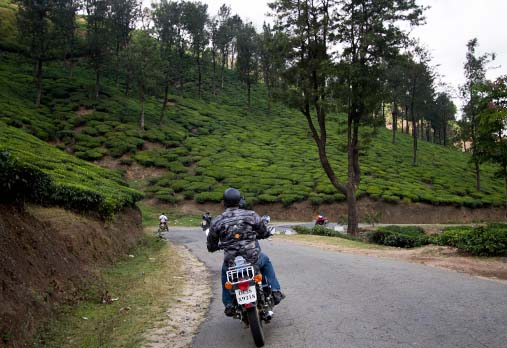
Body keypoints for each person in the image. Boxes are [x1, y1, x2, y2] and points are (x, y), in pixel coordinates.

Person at [207, 188, 285, 317]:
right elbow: (263, 232)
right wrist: (264, 234)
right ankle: (275, 291)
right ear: (239, 201)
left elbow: (211, 245)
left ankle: (229, 304)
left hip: (232, 262)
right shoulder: (251, 215)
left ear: (224, 203)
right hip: (252, 258)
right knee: (266, 262)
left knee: (225, 273)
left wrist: (216, 246)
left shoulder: (217, 221)